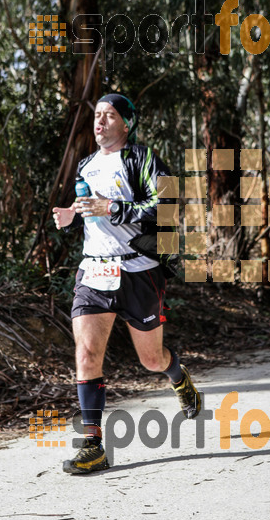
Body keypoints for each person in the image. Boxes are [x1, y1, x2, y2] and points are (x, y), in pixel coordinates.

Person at [52, 93, 201, 474]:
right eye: (97, 115)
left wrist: (115, 208)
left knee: (151, 359)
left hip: (139, 272)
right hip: (94, 271)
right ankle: (93, 446)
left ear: (126, 124)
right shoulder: (85, 165)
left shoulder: (143, 159)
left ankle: (177, 376)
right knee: (86, 355)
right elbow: (90, 209)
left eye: (110, 115)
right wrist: (72, 213)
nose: (99, 122)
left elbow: (167, 203)